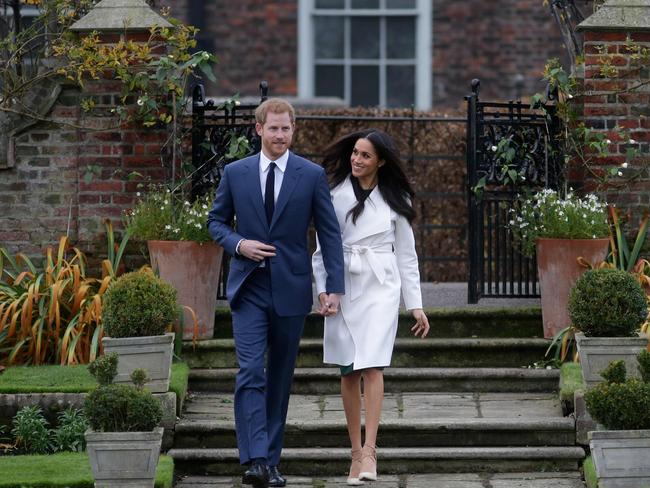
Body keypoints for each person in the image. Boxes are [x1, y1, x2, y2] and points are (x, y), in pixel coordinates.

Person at [207, 98, 345, 488]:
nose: (280, 135)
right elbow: (216, 222)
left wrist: (332, 287)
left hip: (290, 289)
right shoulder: (235, 173)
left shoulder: (311, 174)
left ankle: (269, 459)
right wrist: (239, 245)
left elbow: (329, 233)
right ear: (259, 129)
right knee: (251, 370)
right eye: (273, 128)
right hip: (248, 287)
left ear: (293, 130)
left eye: (286, 129)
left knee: (280, 377)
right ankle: (255, 461)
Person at [312, 129, 430, 485]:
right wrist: (323, 292)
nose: (357, 160)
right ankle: (354, 453)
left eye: (365, 155)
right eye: (355, 153)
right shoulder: (333, 196)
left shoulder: (396, 198)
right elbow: (322, 251)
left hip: (381, 286)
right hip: (343, 287)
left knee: (373, 366)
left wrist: (416, 305)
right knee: (348, 371)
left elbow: (407, 255)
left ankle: (371, 451)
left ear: (380, 161)